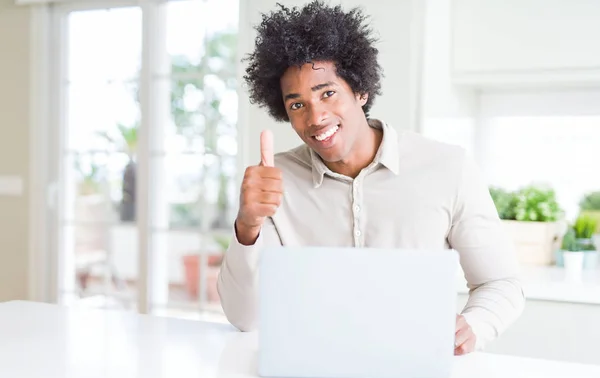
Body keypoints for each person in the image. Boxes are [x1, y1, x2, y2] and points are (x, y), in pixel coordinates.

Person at [217, 0, 524, 355]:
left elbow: (500, 282)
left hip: (416, 368)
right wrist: (248, 226)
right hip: (310, 373)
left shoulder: (447, 167)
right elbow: (245, 317)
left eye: (327, 93)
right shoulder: (275, 181)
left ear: (360, 91)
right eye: (297, 104)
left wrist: (474, 326)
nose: (316, 117)